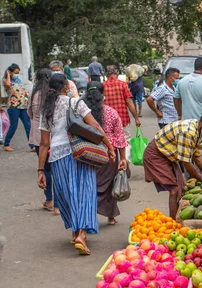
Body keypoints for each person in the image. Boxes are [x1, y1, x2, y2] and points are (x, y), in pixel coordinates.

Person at [37, 74, 116, 255]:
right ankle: (81, 234)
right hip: (79, 152)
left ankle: (75, 232)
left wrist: (40, 170)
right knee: (85, 192)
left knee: (67, 194)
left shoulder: (46, 110)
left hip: (57, 156)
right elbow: (95, 125)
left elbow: (43, 143)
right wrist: (109, 146)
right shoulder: (75, 103)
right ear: (66, 86)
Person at [143, 117, 202, 218]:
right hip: (156, 155)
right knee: (174, 190)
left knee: (181, 187)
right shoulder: (188, 132)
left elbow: (197, 155)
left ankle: (176, 218)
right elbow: (186, 162)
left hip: (169, 155)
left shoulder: (198, 130)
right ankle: (173, 224)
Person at [83, 82, 128, 226]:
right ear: (103, 95)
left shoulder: (83, 113)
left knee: (89, 185)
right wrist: (123, 159)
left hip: (87, 153)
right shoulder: (111, 112)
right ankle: (111, 217)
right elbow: (120, 137)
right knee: (109, 185)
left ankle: (88, 217)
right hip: (109, 154)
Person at [28, 68, 59, 215]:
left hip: (37, 136)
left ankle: (49, 200)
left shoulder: (33, 94)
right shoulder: (52, 94)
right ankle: (58, 204)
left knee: (45, 169)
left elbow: (29, 113)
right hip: (53, 137)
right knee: (56, 170)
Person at [2, 63, 34, 152]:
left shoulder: (18, 81)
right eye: (15, 72)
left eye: (18, 73)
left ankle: (32, 146)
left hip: (23, 106)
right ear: (11, 72)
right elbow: (8, 85)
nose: (17, 74)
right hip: (13, 107)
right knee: (13, 126)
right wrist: (8, 74)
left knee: (28, 125)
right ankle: (6, 144)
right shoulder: (6, 80)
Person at [103, 65, 141, 135]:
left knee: (109, 143)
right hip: (122, 120)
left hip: (107, 121)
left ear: (106, 74)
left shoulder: (102, 86)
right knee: (125, 142)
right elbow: (129, 102)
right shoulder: (123, 85)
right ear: (117, 73)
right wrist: (136, 118)